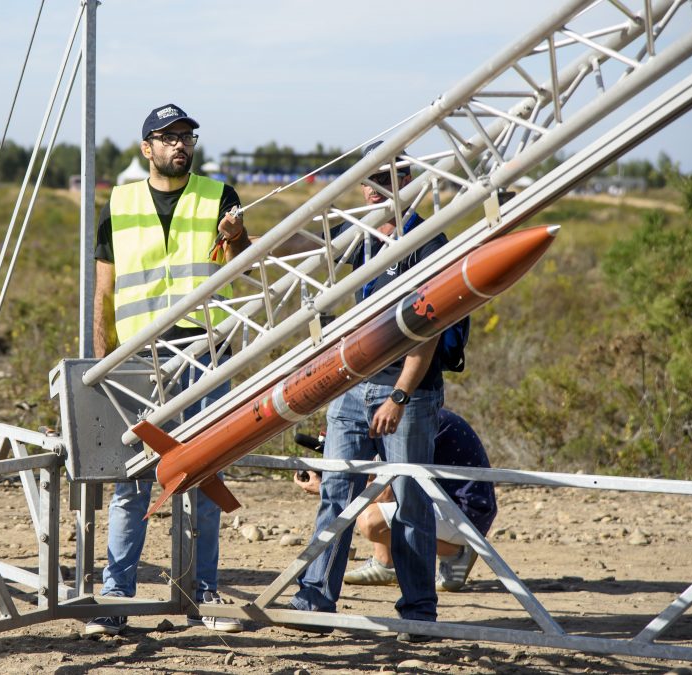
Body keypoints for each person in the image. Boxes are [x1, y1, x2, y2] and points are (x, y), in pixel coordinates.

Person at [85, 103, 249, 636]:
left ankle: (204, 594)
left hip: (203, 351)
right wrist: (101, 361)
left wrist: (237, 235)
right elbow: (104, 289)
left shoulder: (218, 196)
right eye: (168, 136)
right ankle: (116, 595)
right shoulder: (121, 200)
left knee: (204, 470)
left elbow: (240, 262)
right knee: (132, 482)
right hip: (137, 357)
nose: (181, 143)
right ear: (146, 148)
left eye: (187, 135)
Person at [289, 142, 447, 643]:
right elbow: (296, 256)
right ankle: (314, 601)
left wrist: (400, 396)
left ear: (405, 178)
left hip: (409, 392)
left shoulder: (426, 239)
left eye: (388, 174)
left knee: (410, 500)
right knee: (335, 491)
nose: (376, 184)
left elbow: (431, 325)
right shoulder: (350, 239)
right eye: (370, 176)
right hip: (350, 390)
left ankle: (418, 614)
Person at [293, 409, 498, 592]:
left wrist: (325, 488)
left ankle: (457, 551)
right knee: (375, 492)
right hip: (458, 505)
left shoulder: (402, 425)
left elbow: (390, 493)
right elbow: (380, 479)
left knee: (370, 520)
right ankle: (385, 563)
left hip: (467, 513)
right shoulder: (404, 417)